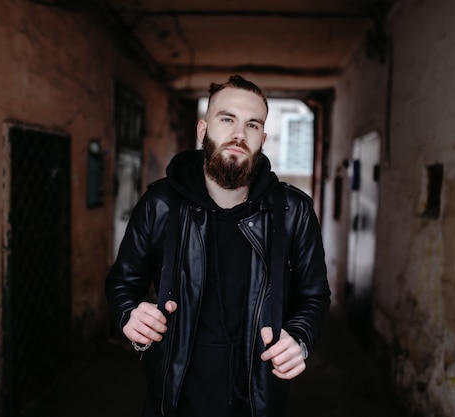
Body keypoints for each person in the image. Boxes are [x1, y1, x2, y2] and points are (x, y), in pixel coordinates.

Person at [105, 75, 331, 417]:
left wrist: (298, 338)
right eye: (227, 119)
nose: (239, 134)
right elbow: (122, 282)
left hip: (258, 401)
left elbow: (314, 297)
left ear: (262, 139)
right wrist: (129, 313)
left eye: (252, 125)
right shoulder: (161, 204)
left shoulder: (292, 212)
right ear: (202, 130)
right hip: (174, 399)